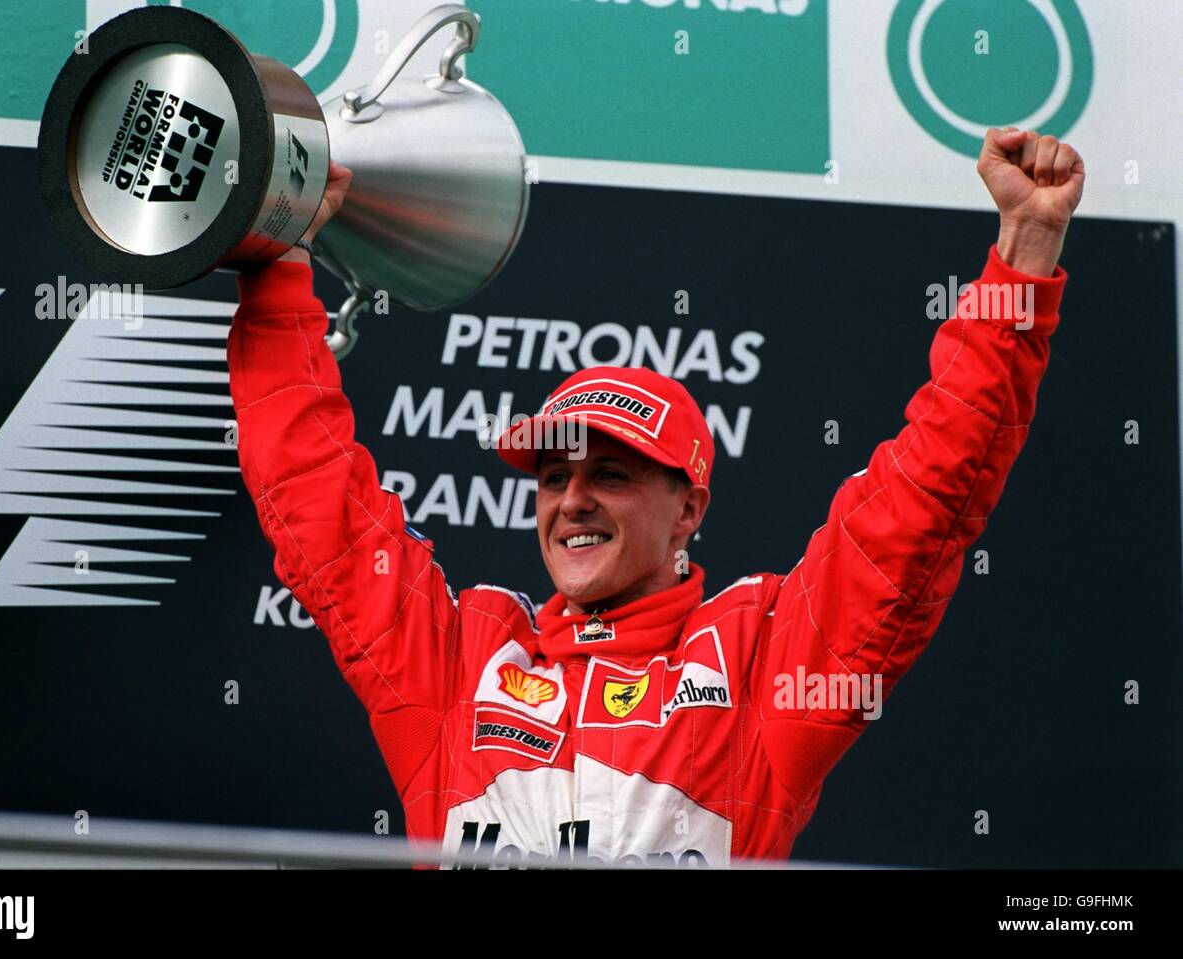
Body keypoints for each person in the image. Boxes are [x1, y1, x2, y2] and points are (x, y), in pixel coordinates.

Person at [227, 129, 1084, 866]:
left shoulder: (757, 665)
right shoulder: (463, 663)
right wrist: (279, 258)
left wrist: (1025, 254)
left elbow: (925, 498)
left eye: (612, 475)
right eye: (554, 477)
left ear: (690, 508)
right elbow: (316, 497)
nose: (573, 501)